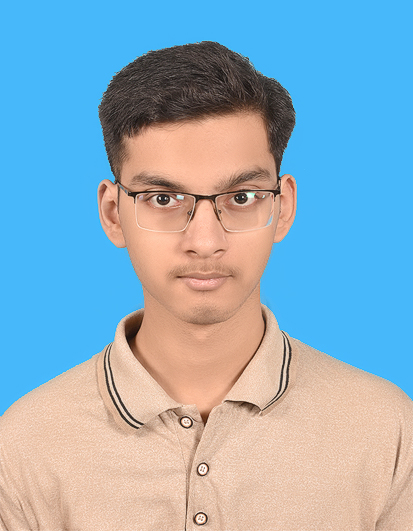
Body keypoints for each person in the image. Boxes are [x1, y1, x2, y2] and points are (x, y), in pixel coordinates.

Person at [0, 41, 411, 531]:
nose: (205, 242)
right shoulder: (23, 445)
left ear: (282, 207)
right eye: (163, 198)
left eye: (242, 196)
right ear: (113, 213)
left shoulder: (386, 428)